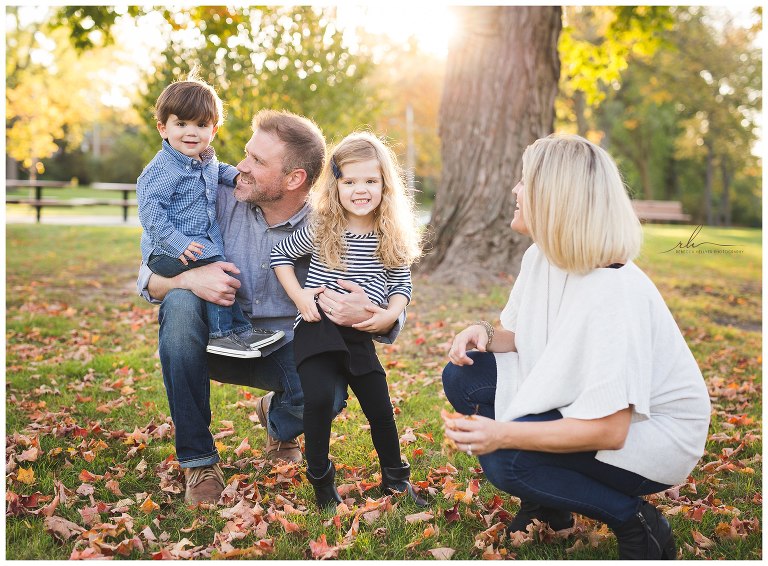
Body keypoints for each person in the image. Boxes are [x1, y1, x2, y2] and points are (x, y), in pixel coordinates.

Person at [441, 134, 710, 560]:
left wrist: (502, 432)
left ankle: (634, 520)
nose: (515, 190)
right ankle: (549, 507)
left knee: (508, 458)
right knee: (465, 372)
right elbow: (525, 336)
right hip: (583, 404)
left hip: (651, 438)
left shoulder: (613, 291)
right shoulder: (542, 257)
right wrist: (484, 333)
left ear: (555, 197)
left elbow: (610, 430)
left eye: (525, 181)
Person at [137, 111, 405, 506]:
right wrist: (186, 279)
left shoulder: (327, 225)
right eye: (247, 154)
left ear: (294, 179)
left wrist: (378, 314)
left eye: (257, 162)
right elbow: (146, 276)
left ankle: (278, 420)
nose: (241, 168)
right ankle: (198, 461)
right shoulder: (211, 195)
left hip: (287, 348)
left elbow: (385, 278)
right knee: (179, 304)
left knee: (327, 395)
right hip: (214, 339)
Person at [271, 132, 427, 509]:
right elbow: (281, 255)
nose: (361, 190)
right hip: (317, 327)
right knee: (321, 399)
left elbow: (400, 283)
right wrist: (300, 295)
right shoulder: (324, 226)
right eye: (351, 181)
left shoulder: (389, 233)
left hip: (358, 333)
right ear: (335, 184)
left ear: (385, 185)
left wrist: (389, 314)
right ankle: (322, 482)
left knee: (379, 406)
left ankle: (394, 479)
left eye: (371, 181)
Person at [137, 75, 282, 358]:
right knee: (218, 272)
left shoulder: (204, 159)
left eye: (201, 125)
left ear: (213, 130)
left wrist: (239, 177)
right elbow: (151, 216)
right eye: (181, 124)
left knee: (222, 270)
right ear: (162, 128)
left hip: (197, 245)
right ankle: (222, 335)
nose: (191, 132)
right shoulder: (161, 171)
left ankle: (240, 329)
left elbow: (220, 171)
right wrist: (178, 243)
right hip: (167, 250)